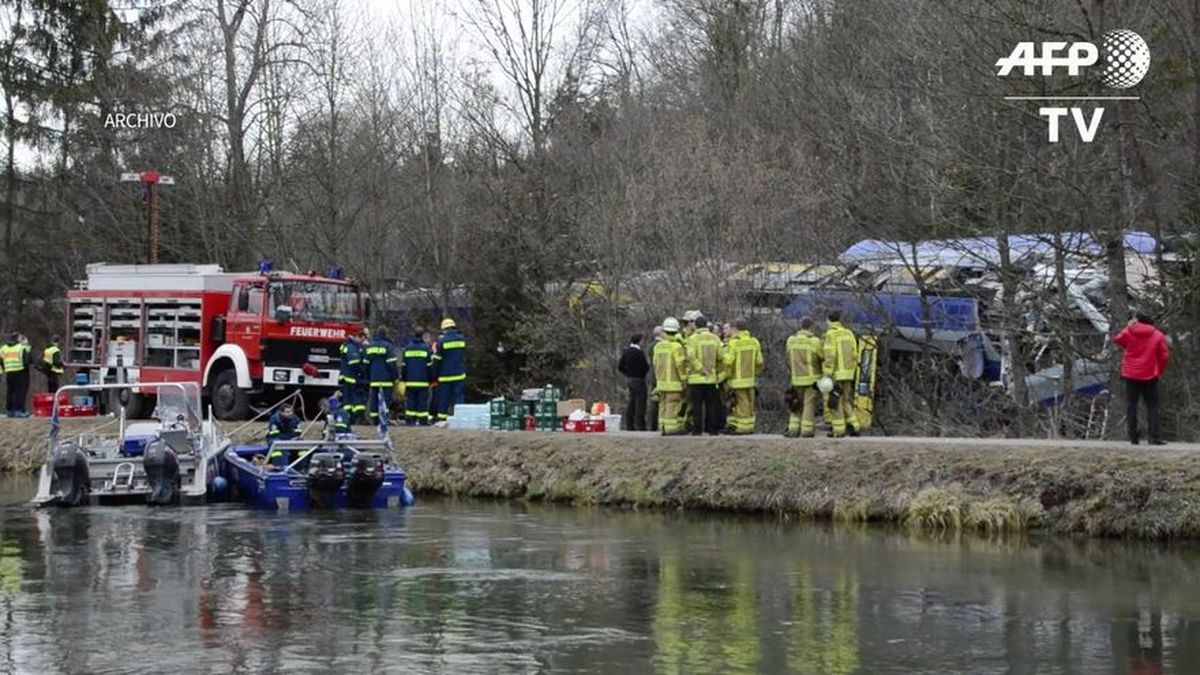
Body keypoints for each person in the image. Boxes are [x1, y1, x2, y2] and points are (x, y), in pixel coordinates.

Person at [1113, 312, 1170, 445]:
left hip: (1131, 374)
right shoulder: (1157, 335)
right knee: (1152, 406)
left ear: (1137, 321)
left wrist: (1128, 327)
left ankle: (1133, 436)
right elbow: (1164, 356)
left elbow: (1117, 340)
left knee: (1131, 405)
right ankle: (1153, 437)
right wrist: (1159, 370)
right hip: (1150, 374)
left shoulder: (1129, 332)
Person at [822, 311, 861, 438]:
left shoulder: (830, 334)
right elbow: (855, 354)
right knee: (845, 400)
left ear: (829, 320)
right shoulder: (848, 333)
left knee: (835, 401)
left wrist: (827, 373)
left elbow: (830, 355)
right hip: (849, 373)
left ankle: (838, 430)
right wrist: (851, 370)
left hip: (837, 374)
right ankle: (854, 426)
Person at [722, 318, 763, 434]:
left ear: (735, 329)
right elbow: (759, 361)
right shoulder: (754, 342)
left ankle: (744, 427)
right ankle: (745, 425)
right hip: (750, 379)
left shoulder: (734, 343)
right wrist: (755, 373)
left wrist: (724, 360)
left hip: (737, 379)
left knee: (741, 403)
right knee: (750, 402)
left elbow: (729, 362)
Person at [785, 317, 823, 438]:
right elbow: (822, 357)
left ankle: (793, 429)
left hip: (796, 378)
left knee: (796, 404)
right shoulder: (815, 341)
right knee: (809, 404)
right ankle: (806, 430)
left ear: (800, 326)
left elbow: (788, 358)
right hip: (812, 379)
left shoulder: (791, 340)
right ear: (811, 327)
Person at [686, 316, 724, 436]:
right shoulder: (715, 338)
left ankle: (697, 429)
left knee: (697, 406)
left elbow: (691, 356)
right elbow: (720, 356)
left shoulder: (692, 339)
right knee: (712, 405)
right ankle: (712, 429)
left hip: (696, 379)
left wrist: (700, 369)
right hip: (711, 378)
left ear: (696, 326)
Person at [653, 318, 688, 435]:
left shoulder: (658, 346)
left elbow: (655, 364)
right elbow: (680, 365)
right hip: (674, 383)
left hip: (661, 382)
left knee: (662, 404)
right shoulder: (676, 347)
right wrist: (684, 380)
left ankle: (662, 426)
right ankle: (671, 428)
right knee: (672, 404)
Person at [432, 318, 467, 426]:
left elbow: (437, 360)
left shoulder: (441, 341)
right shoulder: (461, 339)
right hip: (459, 375)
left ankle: (441, 419)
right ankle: (460, 419)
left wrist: (435, 375)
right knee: (458, 398)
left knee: (444, 399)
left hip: (445, 376)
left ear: (444, 329)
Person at [365, 327, 399, 423]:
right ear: (385, 334)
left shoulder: (370, 347)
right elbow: (391, 364)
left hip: (374, 378)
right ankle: (384, 418)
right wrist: (394, 377)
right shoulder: (387, 346)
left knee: (374, 398)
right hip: (386, 379)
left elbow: (366, 364)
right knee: (385, 399)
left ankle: (374, 419)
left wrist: (368, 377)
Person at [401, 327, 434, 426]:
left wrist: (404, 379)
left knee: (410, 402)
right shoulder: (426, 349)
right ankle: (422, 420)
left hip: (410, 381)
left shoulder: (407, 348)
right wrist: (430, 379)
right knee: (422, 403)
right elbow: (429, 367)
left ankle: (410, 420)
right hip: (423, 382)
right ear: (422, 336)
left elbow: (404, 366)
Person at [617, 332, 650, 431]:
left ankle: (629, 424)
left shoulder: (626, 352)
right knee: (640, 403)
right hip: (639, 379)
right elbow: (645, 367)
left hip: (630, 379)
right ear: (639, 341)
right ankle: (640, 425)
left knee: (631, 402)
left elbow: (620, 366)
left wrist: (627, 373)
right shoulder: (639, 353)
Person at [338, 329, 367, 424]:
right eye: (363, 339)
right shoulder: (351, 347)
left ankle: (350, 418)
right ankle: (357, 418)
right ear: (360, 337)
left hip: (348, 377)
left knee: (348, 400)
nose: (364, 342)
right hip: (352, 378)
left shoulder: (349, 345)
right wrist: (363, 371)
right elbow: (354, 362)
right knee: (355, 399)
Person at [1, 332, 29, 418]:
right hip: (20, 371)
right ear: (17, 339)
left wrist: (5, 368)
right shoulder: (21, 348)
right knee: (19, 392)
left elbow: (1, 361)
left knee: (10, 391)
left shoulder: (3, 348)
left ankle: (10, 410)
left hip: (9, 371)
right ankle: (18, 410)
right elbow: (26, 361)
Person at [647, 326, 664, 431]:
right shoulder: (659, 345)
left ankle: (653, 424)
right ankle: (656, 424)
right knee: (658, 401)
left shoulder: (651, 346)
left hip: (653, 375)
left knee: (654, 400)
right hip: (660, 376)